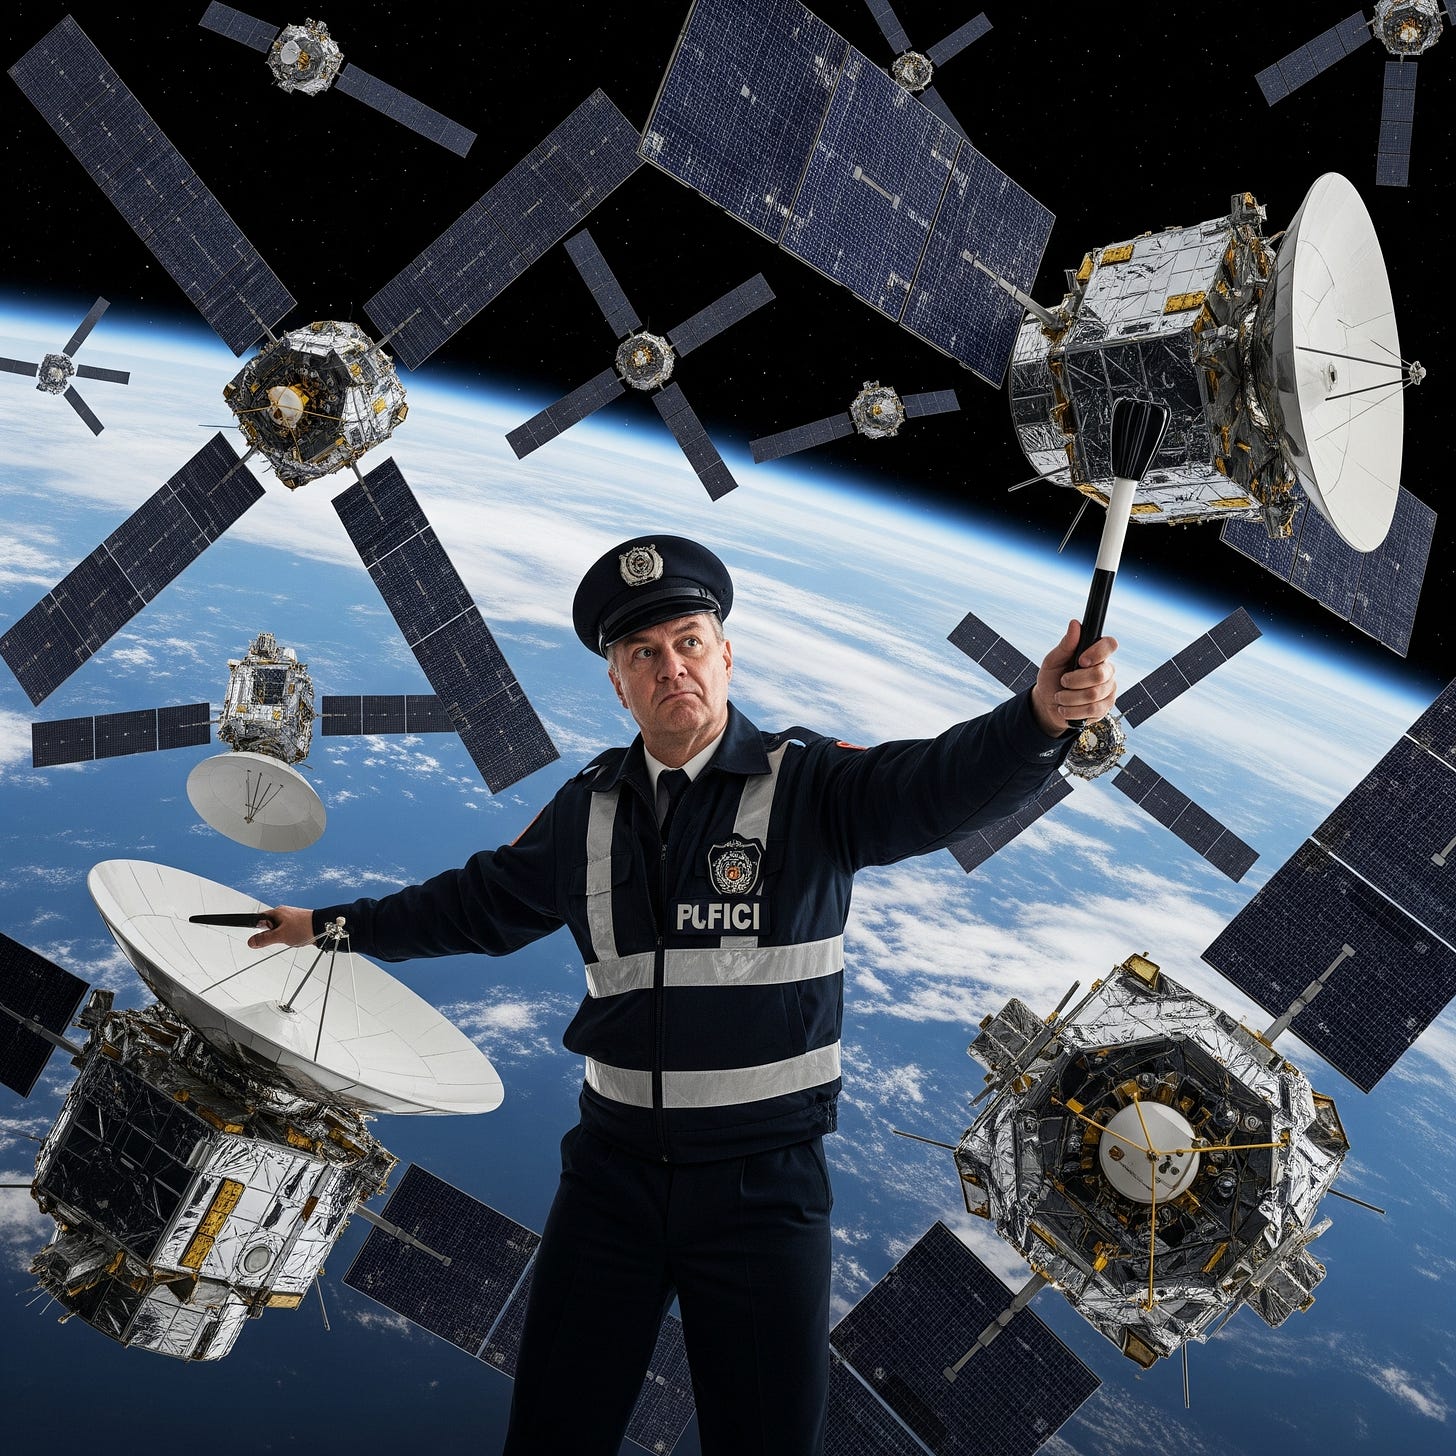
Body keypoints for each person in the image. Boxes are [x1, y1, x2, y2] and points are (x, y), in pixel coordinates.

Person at [249, 534, 1118, 1455]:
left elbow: (938, 784)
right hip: (608, 1182)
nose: (672, 667)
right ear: (618, 684)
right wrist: (328, 925)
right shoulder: (585, 809)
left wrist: (1037, 718)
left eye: (689, 642)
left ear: (725, 656)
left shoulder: (811, 785)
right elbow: (472, 905)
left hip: (761, 1193)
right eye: (644, 653)